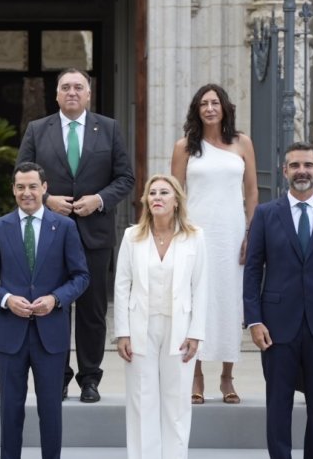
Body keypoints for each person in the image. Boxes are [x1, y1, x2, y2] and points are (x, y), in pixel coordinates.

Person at [17, 67, 135, 402]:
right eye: (65, 87)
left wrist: (99, 200)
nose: (72, 92)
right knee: (53, 308)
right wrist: (45, 198)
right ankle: (59, 375)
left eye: (78, 87)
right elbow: (21, 172)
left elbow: (125, 178)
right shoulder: (38, 130)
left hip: (94, 234)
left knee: (92, 310)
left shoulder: (108, 129)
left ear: (88, 93)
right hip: (49, 234)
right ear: (56, 94)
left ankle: (89, 378)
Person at [243, 142, 313, 459]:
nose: (302, 171)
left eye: (308, 165)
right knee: (278, 405)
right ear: (284, 171)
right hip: (277, 327)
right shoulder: (266, 214)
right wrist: (254, 320)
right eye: (295, 165)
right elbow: (252, 271)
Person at [0, 162, 90, 459]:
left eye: (32, 186)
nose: (27, 193)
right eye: (20, 187)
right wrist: (5, 299)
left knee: (51, 411)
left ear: (44, 188)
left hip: (50, 334)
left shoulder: (64, 227)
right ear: (13, 190)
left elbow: (81, 276)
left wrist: (55, 299)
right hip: (10, 335)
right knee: (10, 411)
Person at [171, 83, 257, 405]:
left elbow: (251, 192)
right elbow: (175, 193)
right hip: (195, 231)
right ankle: (196, 375)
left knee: (228, 300)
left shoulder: (242, 143)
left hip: (231, 233)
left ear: (225, 108)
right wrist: (176, 234)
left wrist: (251, 233)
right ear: (197, 109)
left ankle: (227, 375)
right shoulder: (184, 147)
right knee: (195, 302)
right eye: (204, 103)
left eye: (215, 103)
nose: (210, 108)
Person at [114, 174, 207, 459]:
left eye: (164, 192)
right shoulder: (133, 236)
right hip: (140, 326)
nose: (157, 197)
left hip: (179, 328)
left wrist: (196, 333)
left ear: (176, 201)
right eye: (152, 193)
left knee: (177, 402)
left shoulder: (195, 236)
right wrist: (122, 332)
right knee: (142, 401)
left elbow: (201, 286)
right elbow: (121, 285)